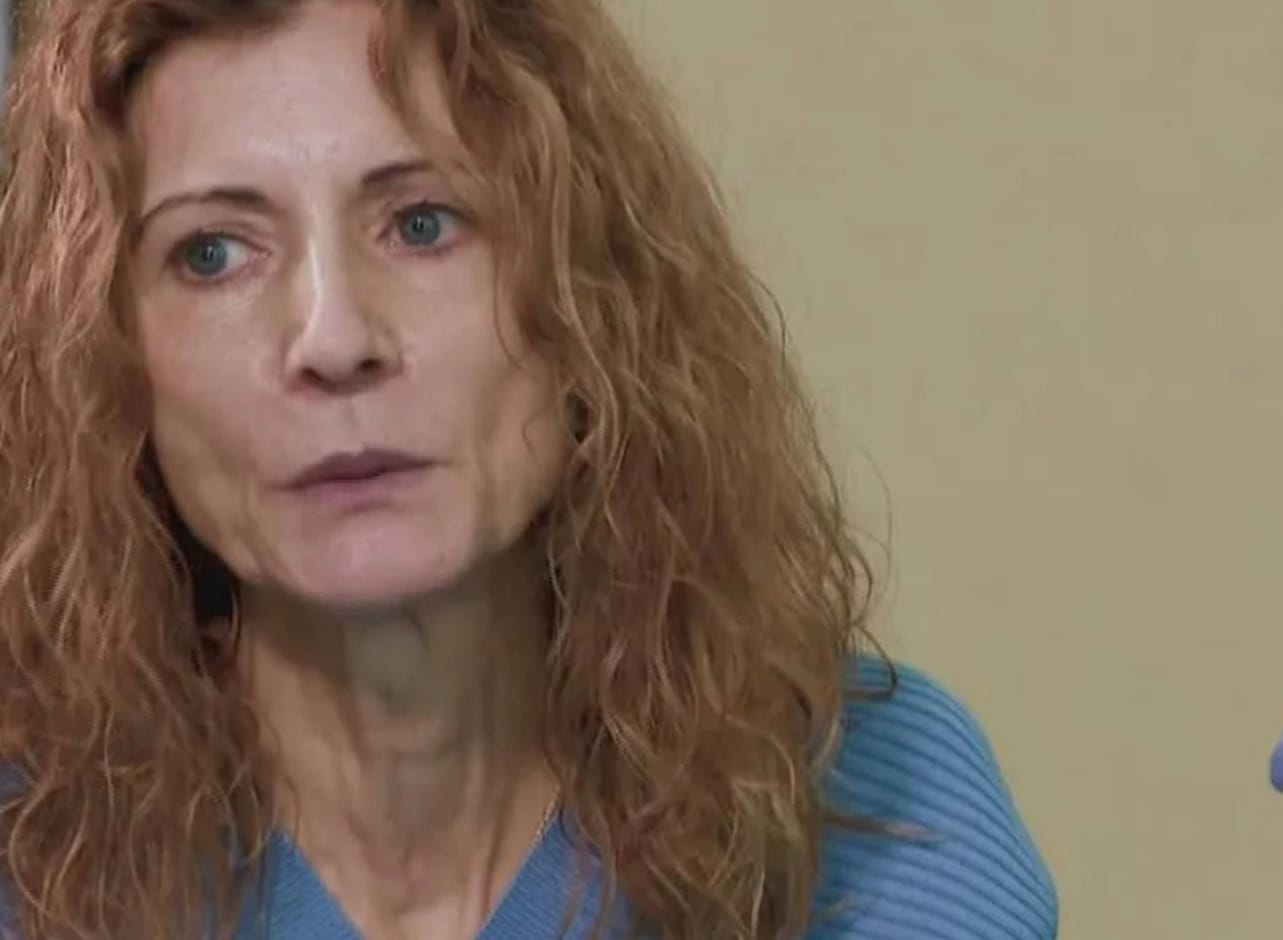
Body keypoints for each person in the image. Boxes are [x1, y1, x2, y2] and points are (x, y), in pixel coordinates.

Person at [0, 1, 1058, 937]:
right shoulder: (26, 862)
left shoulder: (883, 820)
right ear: (106, 361)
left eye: (423, 225)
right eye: (212, 253)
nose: (333, 338)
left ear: (590, 300)